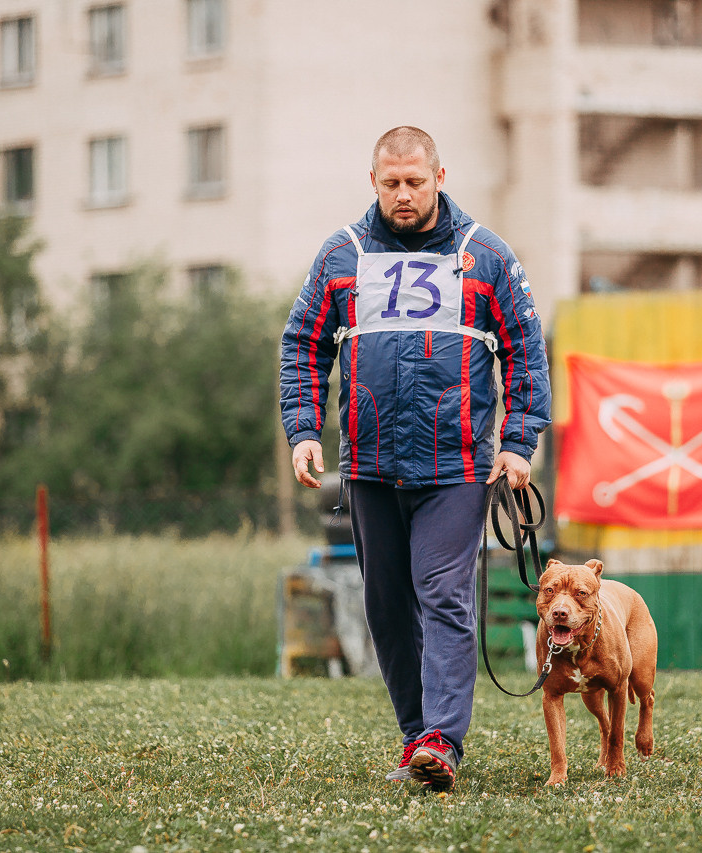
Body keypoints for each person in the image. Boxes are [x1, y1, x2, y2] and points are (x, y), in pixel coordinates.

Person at [279, 126, 551, 792]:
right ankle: (417, 739)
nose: (404, 194)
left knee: (443, 594)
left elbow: (524, 348)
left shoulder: (483, 255)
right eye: (391, 182)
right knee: (387, 605)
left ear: (440, 176)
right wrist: (304, 429)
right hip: (369, 467)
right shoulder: (340, 256)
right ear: (373, 181)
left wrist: (518, 441)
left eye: (416, 181)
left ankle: (443, 739)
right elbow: (304, 345)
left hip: (456, 468)